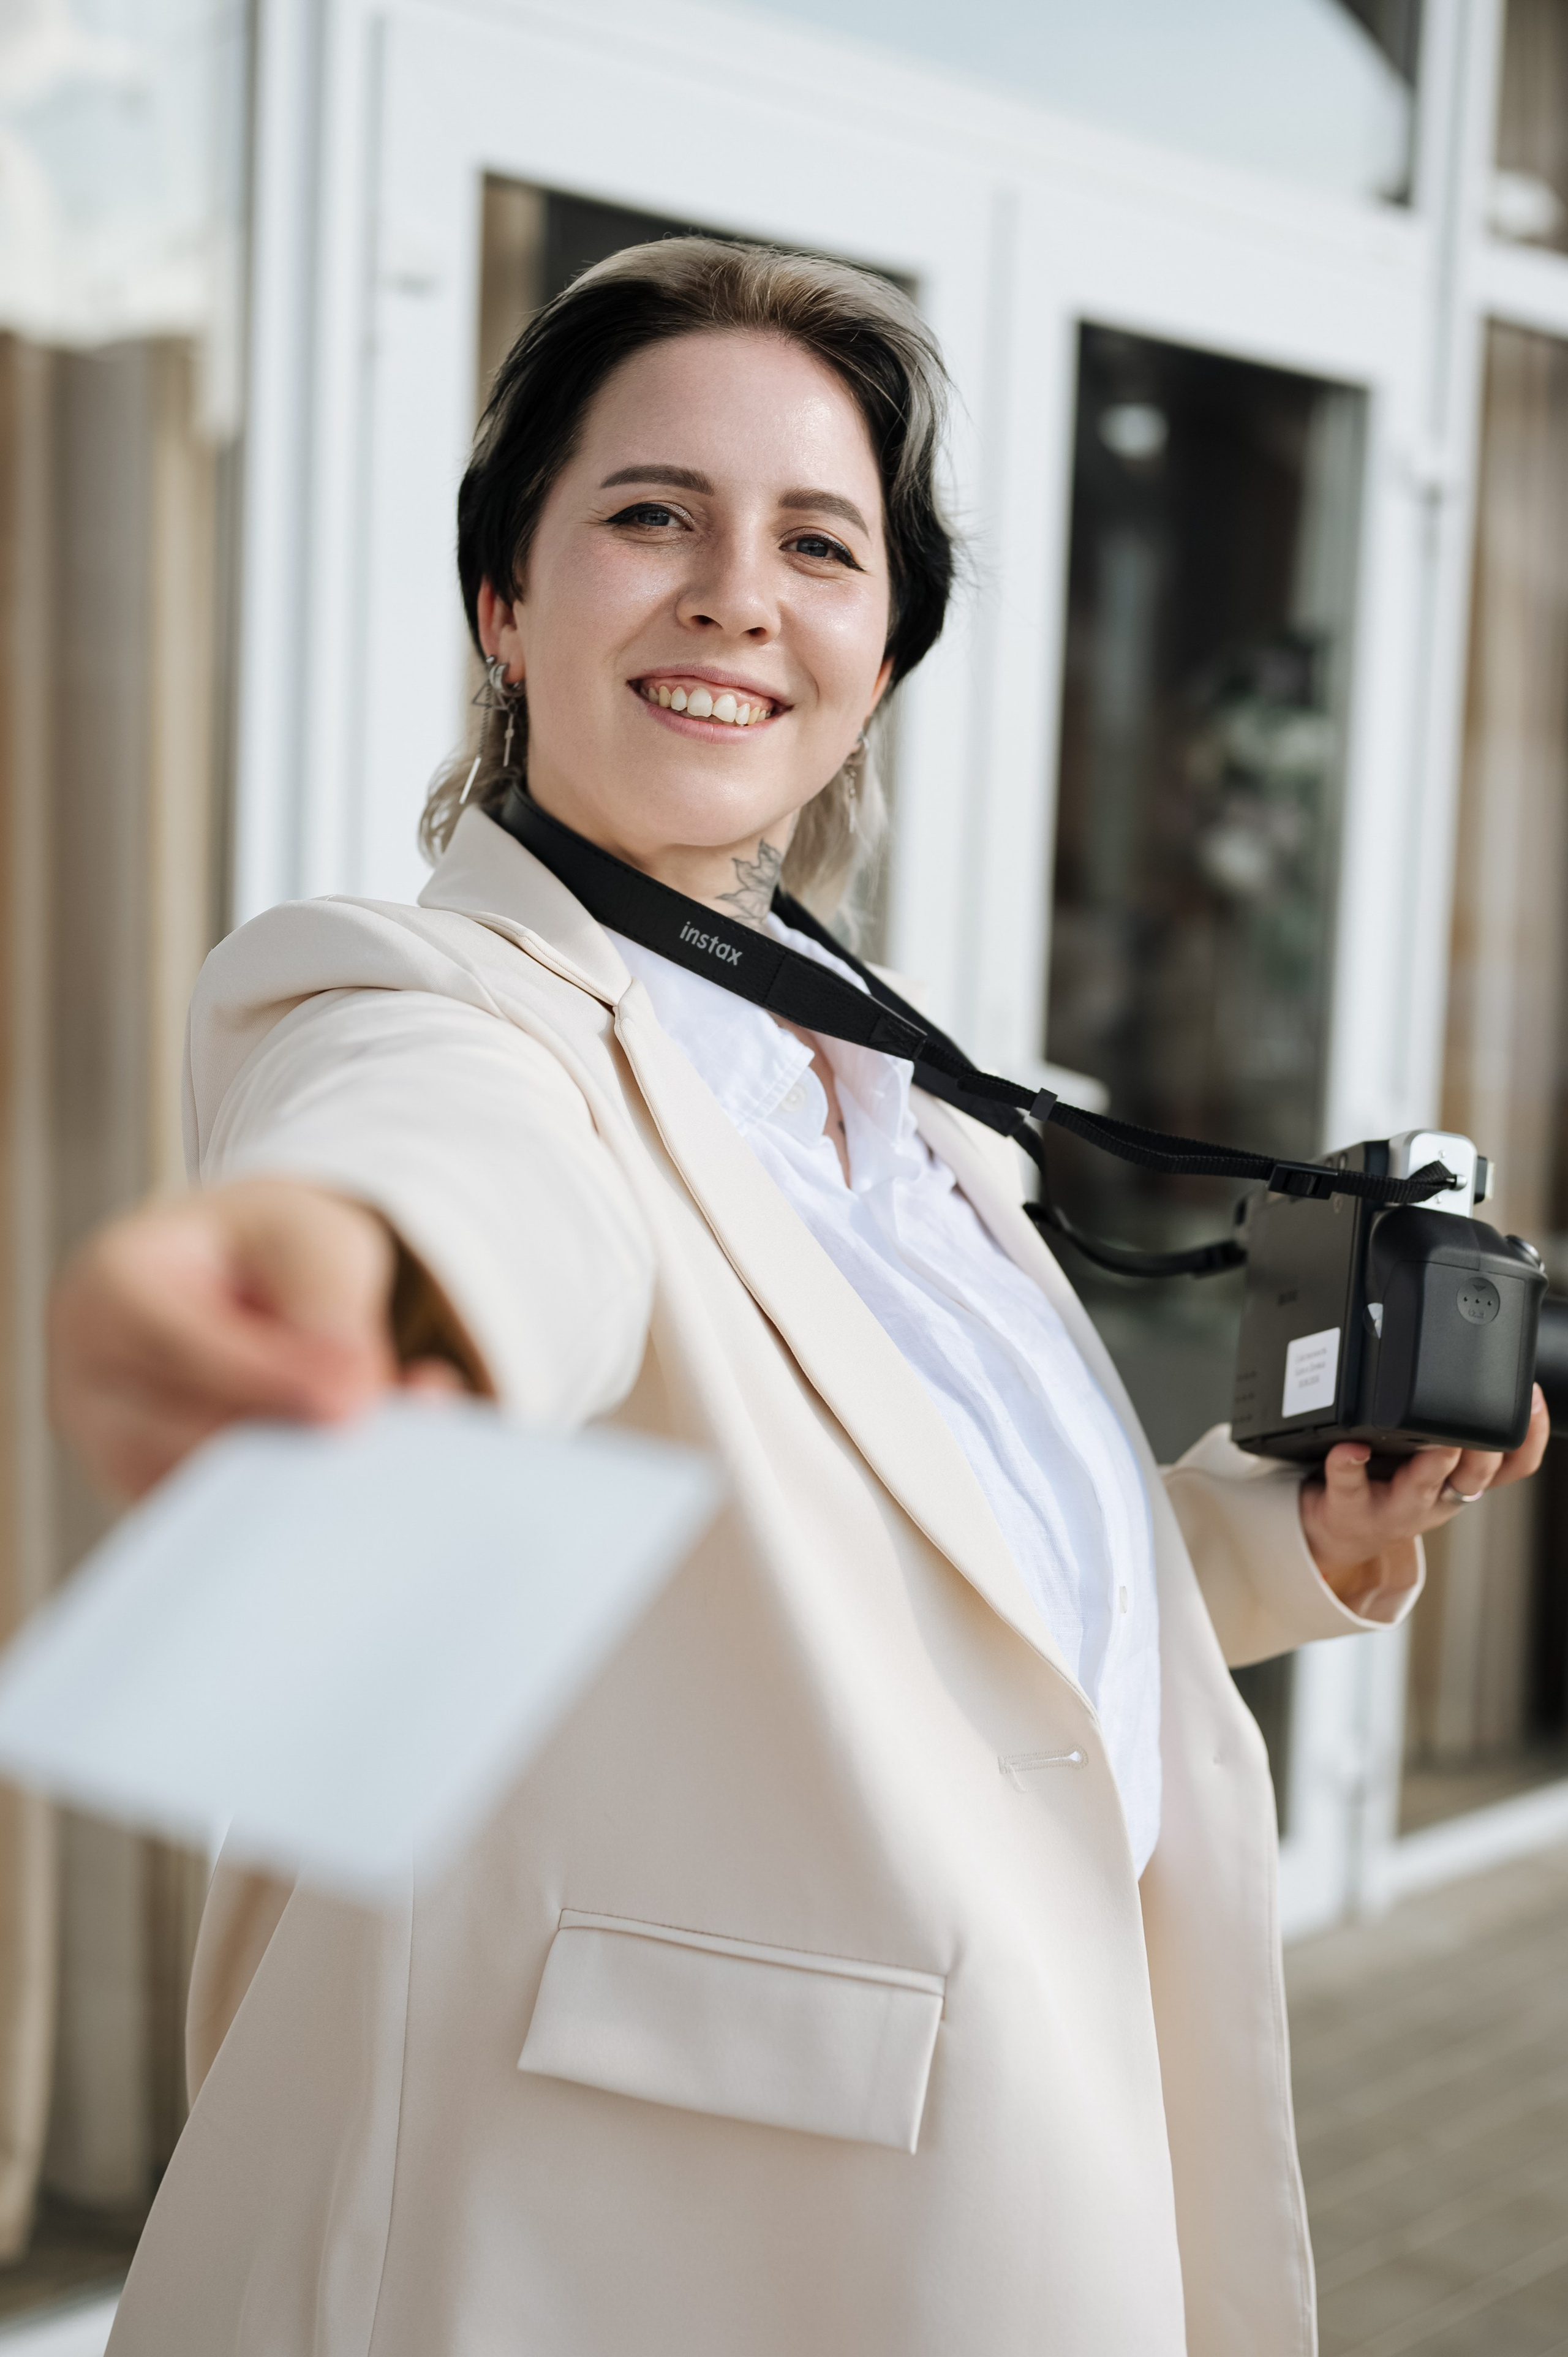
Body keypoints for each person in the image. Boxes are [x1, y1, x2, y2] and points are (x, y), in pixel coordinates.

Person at [52, 239, 1547, 2357]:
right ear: (505, 602)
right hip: (608, 2254)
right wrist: (371, 1293)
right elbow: (454, 1187)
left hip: (997, 2184)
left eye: (818, 545)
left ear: (878, 647)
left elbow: (896, 1588)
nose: (736, 592)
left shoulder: (895, 1104)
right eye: (651, 514)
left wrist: (1272, 1536)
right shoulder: (423, 1003)